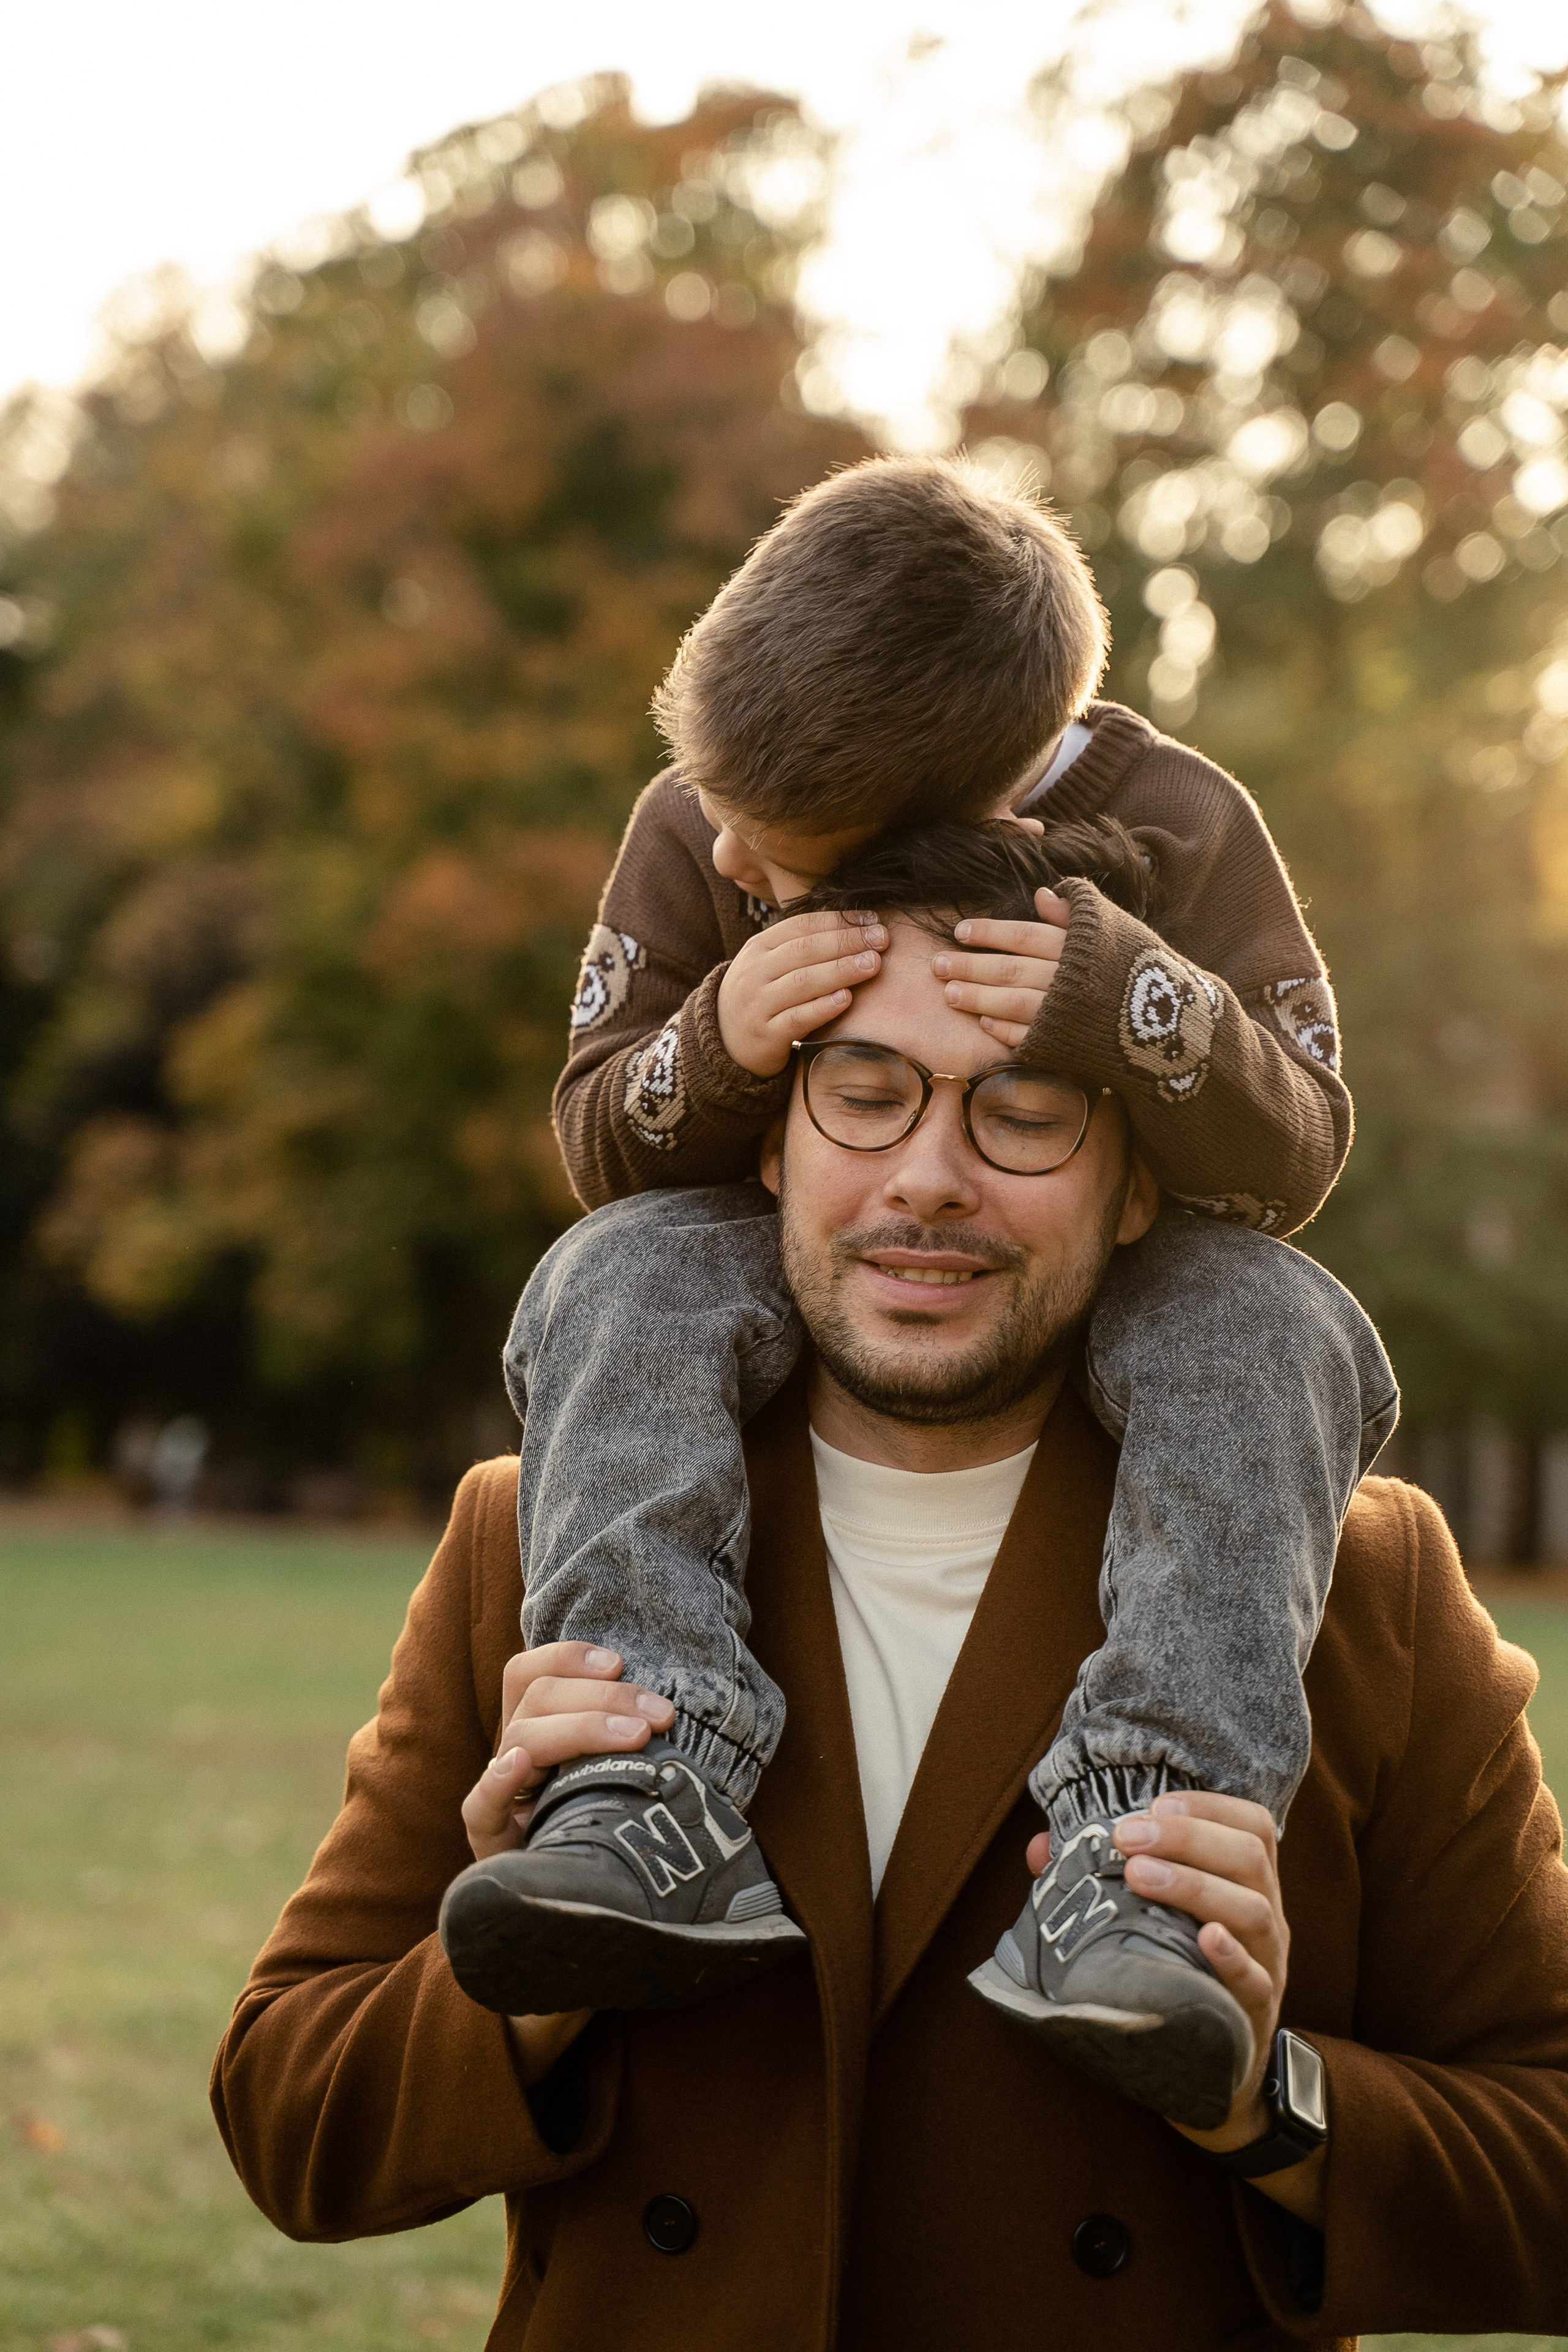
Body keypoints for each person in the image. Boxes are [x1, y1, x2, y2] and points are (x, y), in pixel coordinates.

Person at [211, 846, 1568, 2350]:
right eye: (865, 1093)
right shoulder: (529, 1538)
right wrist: (526, 1970)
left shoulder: (1359, 1583)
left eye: (1027, 1111)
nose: (930, 1175)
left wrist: (1264, 2100)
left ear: (1136, 1190)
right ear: (771, 1145)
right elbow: (290, 2120)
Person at [439, 454, 1396, 2130]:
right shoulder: (702, 814)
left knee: (1276, 1318)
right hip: (748, 1243)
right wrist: (724, 1034)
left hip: (1131, 1262)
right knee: (609, 1271)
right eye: (712, 809)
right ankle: (645, 1766)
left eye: (770, 842)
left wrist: (1132, 1001)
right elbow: (601, 1132)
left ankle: (1145, 1840)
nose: (725, 845)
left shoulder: (1185, 825)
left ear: (934, 808)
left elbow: (1305, 1146)